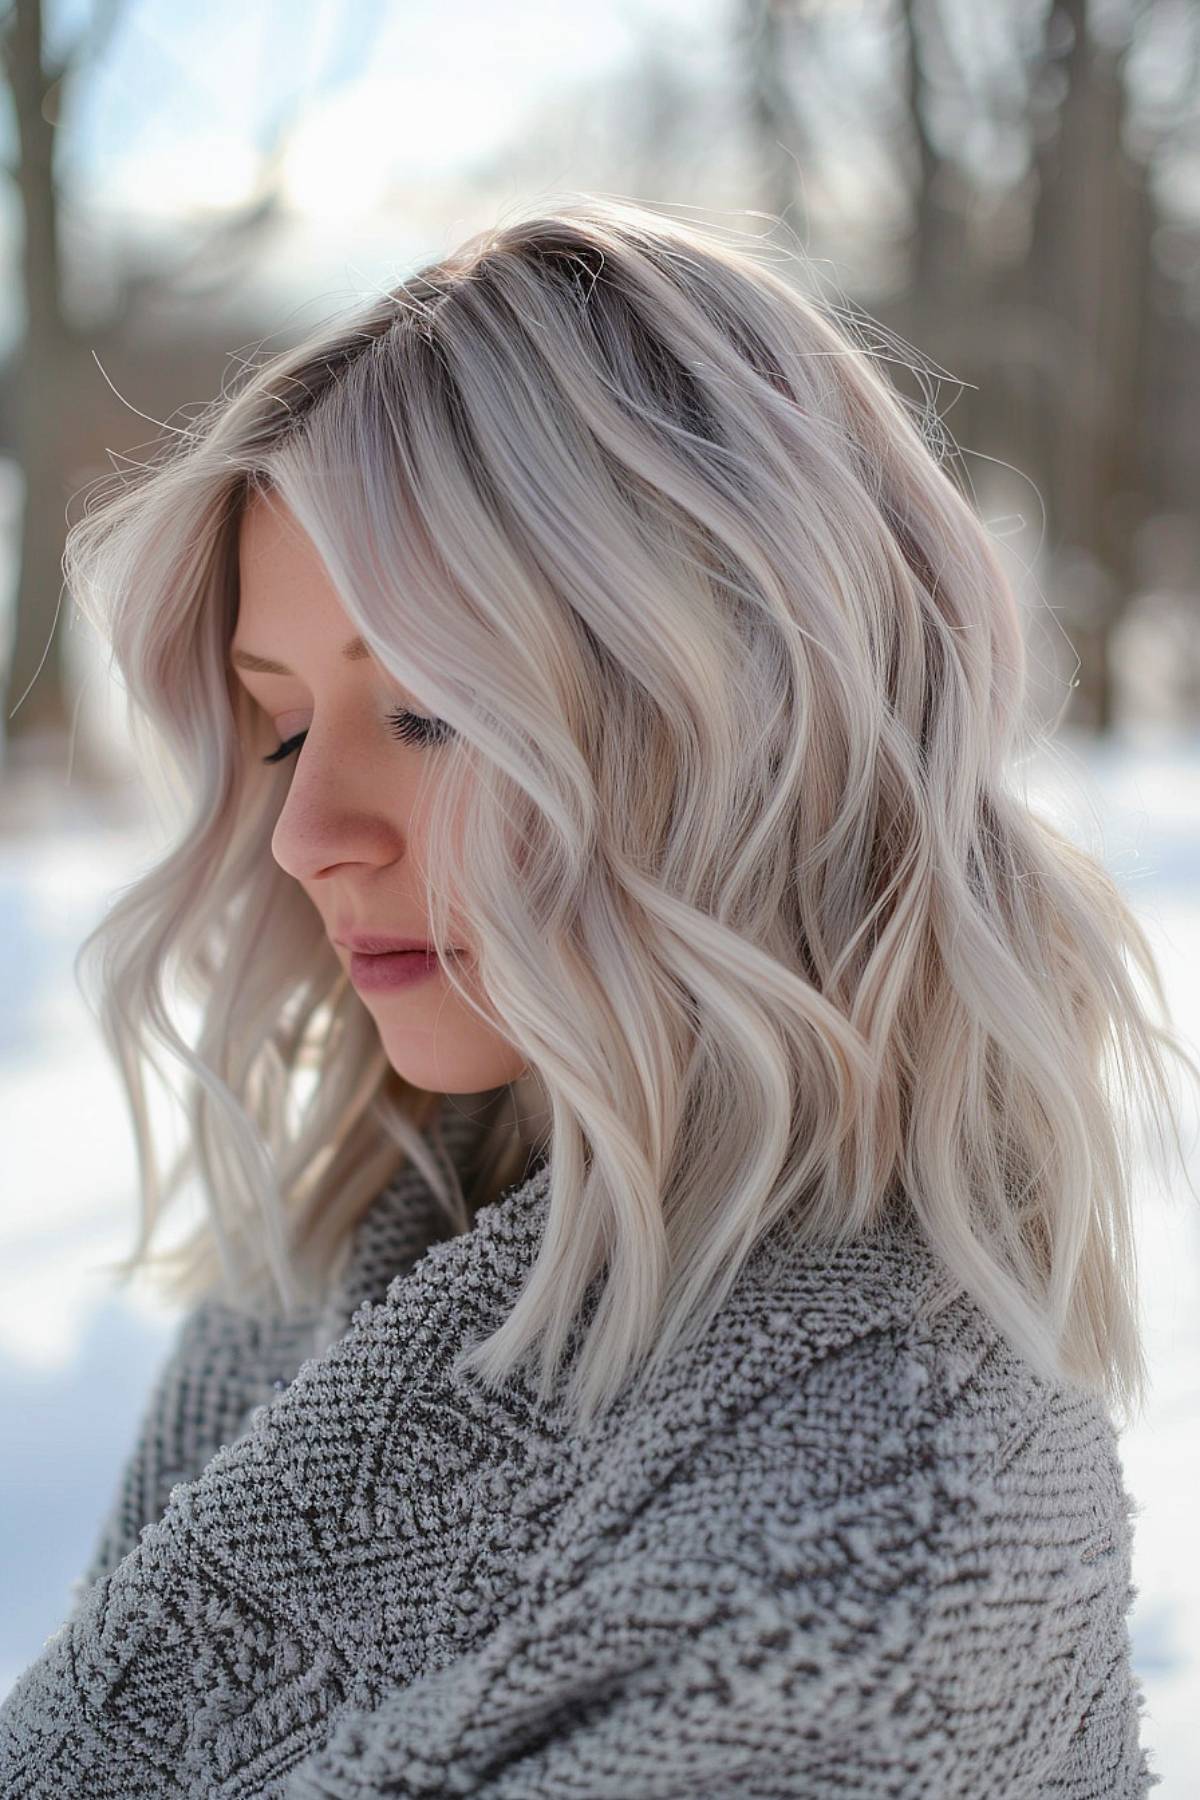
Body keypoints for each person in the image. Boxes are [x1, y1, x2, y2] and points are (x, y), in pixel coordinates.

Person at [1, 193, 1194, 1798]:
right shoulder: (346, 1246)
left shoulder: (879, 1548)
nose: (304, 833)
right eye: (282, 728)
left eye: (426, 710)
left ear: (745, 725)